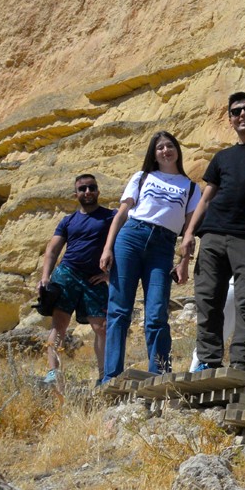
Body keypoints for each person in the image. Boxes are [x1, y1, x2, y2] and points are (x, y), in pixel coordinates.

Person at [176, 91, 245, 373]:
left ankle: (241, 366)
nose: (242, 114)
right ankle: (208, 361)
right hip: (212, 233)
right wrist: (188, 234)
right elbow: (206, 198)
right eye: (236, 112)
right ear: (230, 121)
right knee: (208, 300)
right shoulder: (222, 157)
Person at [100, 132, 199, 381]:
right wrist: (107, 248)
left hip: (163, 245)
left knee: (156, 312)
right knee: (119, 310)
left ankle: (160, 375)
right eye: (160, 148)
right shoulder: (143, 177)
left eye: (170, 146)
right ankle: (111, 376)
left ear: (177, 149)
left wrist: (184, 262)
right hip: (131, 237)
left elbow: (189, 230)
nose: (165, 151)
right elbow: (122, 214)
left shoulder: (191, 187)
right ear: (153, 154)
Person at [36, 173, 112, 384]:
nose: (87, 192)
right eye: (82, 188)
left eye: (91, 187)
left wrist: (109, 275)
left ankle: (104, 375)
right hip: (67, 274)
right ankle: (53, 372)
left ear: (98, 190)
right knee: (59, 324)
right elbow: (52, 250)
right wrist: (45, 277)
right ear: (75, 193)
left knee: (102, 326)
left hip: (94, 278)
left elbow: (124, 248)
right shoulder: (68, 221)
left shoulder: (111, 217)